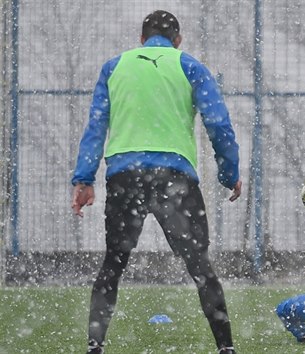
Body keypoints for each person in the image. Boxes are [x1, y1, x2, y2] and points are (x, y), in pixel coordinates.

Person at [71, 10, 241, 354]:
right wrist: (229, 173)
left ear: (141, 39)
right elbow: (218, 123)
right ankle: (225, 347)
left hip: (124, 175)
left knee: (114, 263)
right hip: (173, 177)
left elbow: (96, 126)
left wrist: (84, 178)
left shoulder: (114, 67)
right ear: (177, 40)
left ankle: (94, 345)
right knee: (200, 266)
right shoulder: (188, 65)